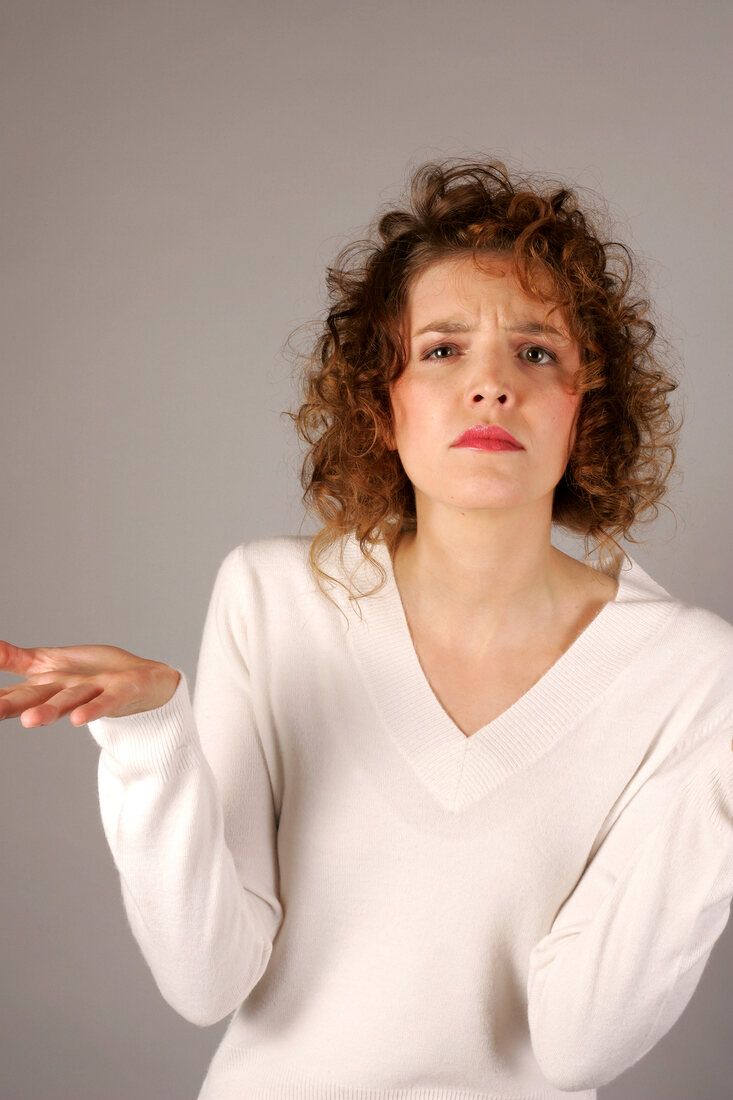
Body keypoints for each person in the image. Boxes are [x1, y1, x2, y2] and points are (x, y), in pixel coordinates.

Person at [2, 157, 733, 1099]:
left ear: (585, 407)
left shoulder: (691, 672)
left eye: (536, 352)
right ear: (380, 403)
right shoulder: (271, 600)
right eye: (441, 350)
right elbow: (204, 979)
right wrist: (149, 739)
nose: (491, 386)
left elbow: (581, 1044)